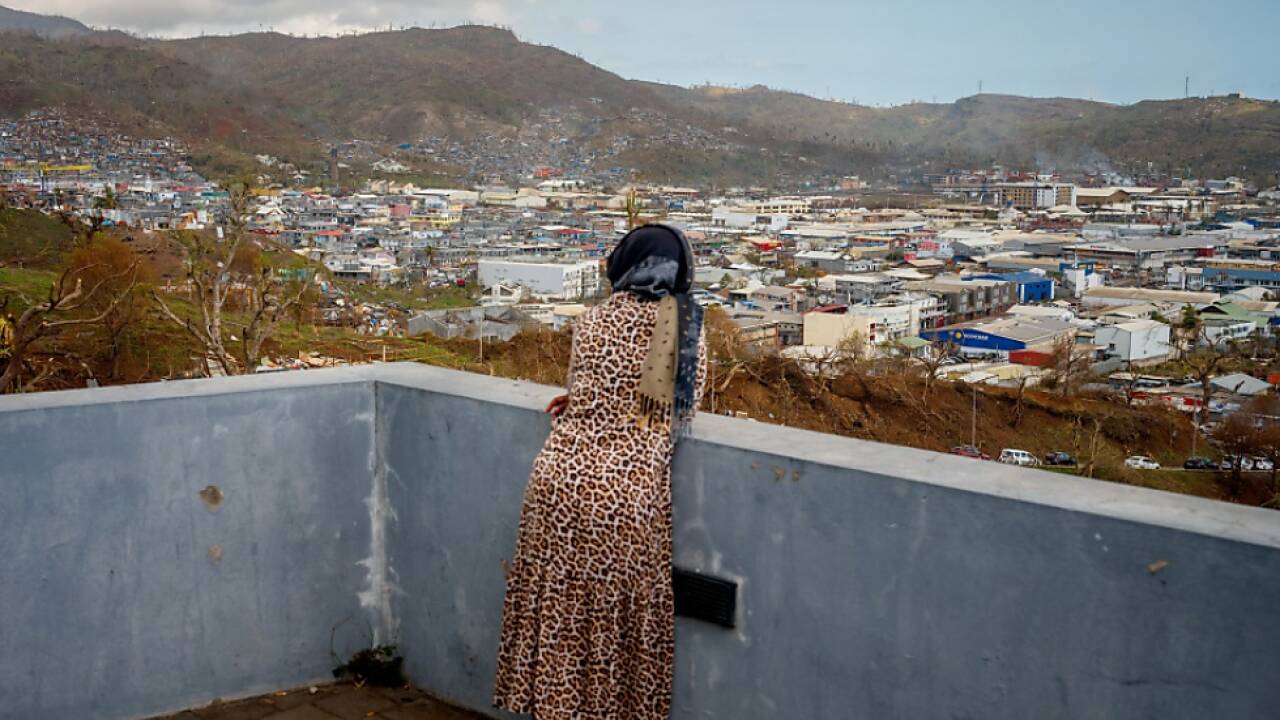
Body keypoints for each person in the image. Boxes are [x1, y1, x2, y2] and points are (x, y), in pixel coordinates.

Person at [494, 224, 708, 720]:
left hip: (558, 481)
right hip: (623, 494)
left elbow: (593, 388)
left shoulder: (593, 319)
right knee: (612, 622)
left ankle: (555, 707)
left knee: (561, 612)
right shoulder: (680, 323)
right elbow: (678, 408)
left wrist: (583, 402)